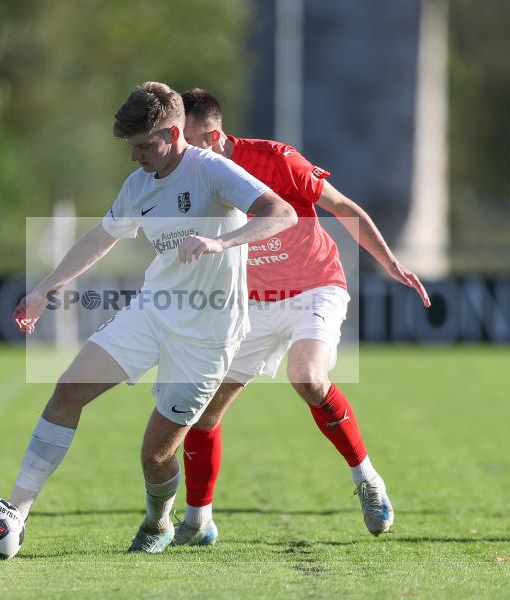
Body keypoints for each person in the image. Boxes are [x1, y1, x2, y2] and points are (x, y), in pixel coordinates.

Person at [0, 82, 296, 554]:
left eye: (143, 146)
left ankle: (159, 523)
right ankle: (16, 512)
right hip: (153, 312)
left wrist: (221, 242)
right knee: (68, 390)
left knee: (155, 457)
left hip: (209, 335)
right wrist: (44, 289)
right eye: (129, 147)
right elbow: (101, 238)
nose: (134, 157)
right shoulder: (138, 185)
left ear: (174, 134)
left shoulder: (213, 170)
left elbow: (283, 213)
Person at [172, 88, 431, 545]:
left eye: (187, 139)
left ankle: (367, 481)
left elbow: (343, 208)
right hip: (251, 303)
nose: (179, 150)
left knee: (307, 377)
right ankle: (198, 521)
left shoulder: (277, 160)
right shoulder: (186, 176)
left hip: (315, 287)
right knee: (203, 411)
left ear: (213, 135)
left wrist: (389, 262)